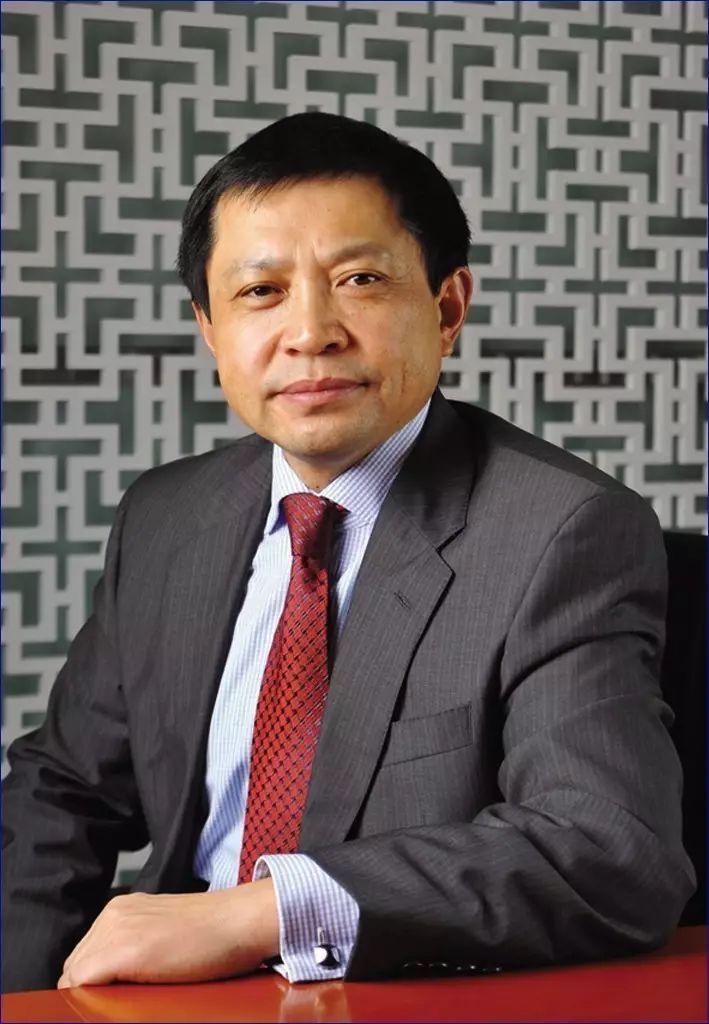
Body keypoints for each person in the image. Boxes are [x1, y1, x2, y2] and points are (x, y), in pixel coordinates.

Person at [2, 112, 695, 994]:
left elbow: (605, 850)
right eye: (260, 292)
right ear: (210, 329)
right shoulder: (167, 516)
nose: (311, 332)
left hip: (392, 994)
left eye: (360, 279)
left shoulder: (562, 530)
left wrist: (261, 913)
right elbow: (65, 790)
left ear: (446, 308)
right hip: (167, 997)